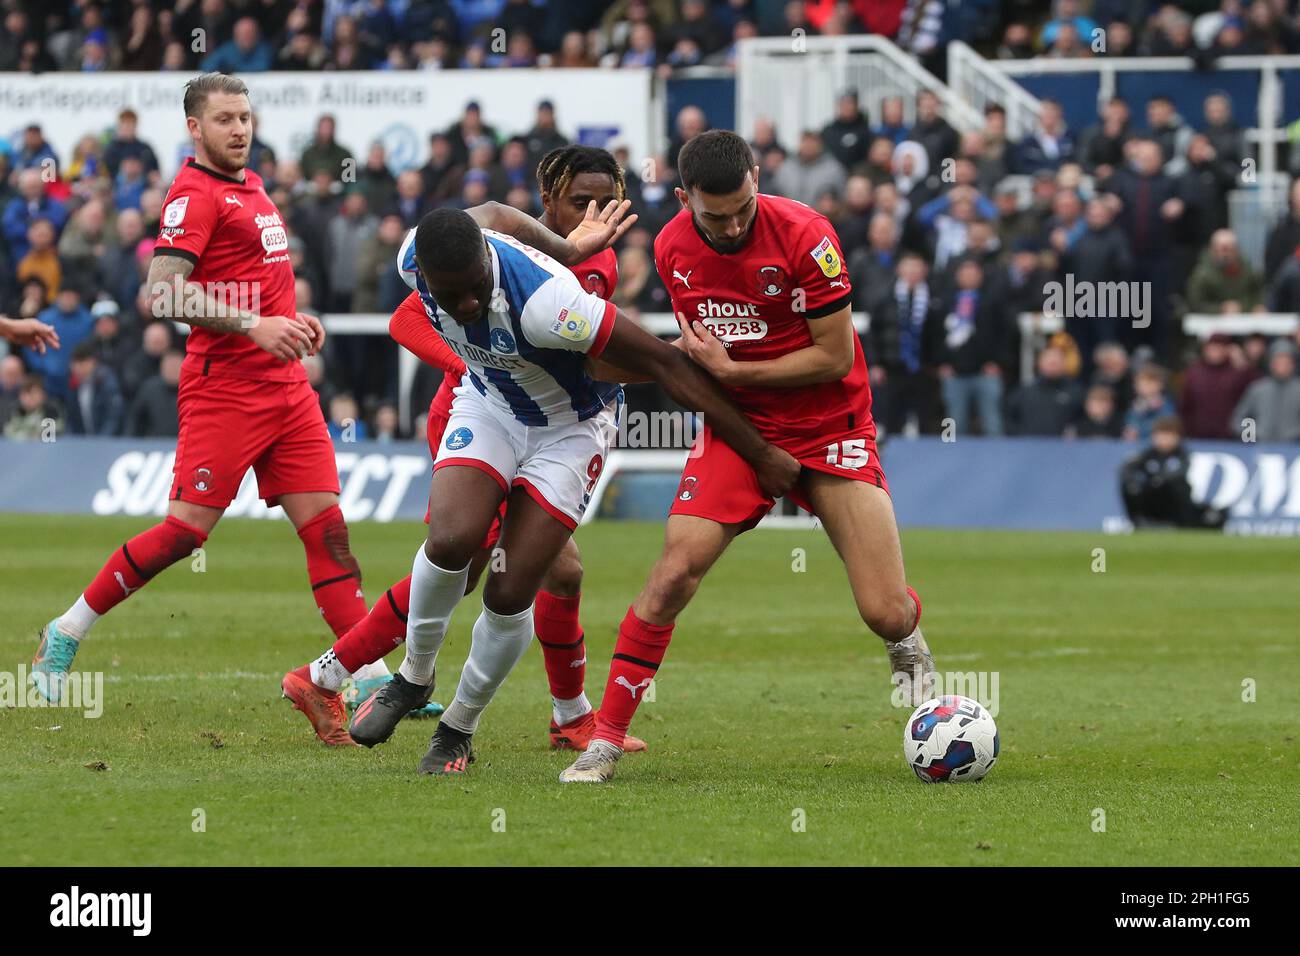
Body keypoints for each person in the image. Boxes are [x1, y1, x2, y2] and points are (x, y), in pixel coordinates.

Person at [326, 199, 798, 778]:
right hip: (491, 404)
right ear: (423, 274)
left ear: (486, 263)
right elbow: (494, 210)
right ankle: (414, 675)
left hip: (570, 429)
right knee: (452, 539)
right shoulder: (412, 256)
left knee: (507, 588)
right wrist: (569, 245)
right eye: (455, 296)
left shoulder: (549, 305)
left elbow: (666, 366)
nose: (469, 304)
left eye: (477, 288)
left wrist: (758, 451)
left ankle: (459, 728)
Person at [560, 130, 934, 784]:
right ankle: (607, 740)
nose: (732, 225)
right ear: (683, 200)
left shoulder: (809, 237)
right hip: (738, 428)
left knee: (884, 609)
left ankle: (908, 641)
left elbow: (835, 356)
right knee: (674, 571)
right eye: (715, 215)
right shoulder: (673, 245)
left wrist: (735, 375)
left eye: (742, 208)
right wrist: (741, 421)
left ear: (757, 178)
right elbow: (700, 365)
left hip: (830, 424)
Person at [29, 74, 390, 725]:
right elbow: (163, 293)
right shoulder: (192, 195)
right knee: (182, 536)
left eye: (245, 116)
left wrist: (293, 321)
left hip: (287, 390)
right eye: (224, 119)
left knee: (329, 532)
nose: (240, 129)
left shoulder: (252, 187)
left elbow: (255, 284)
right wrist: (254, 326)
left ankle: (369, 678)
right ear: (194, 127)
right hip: (225, 392)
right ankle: (66, 630)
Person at [289, 147, 656, 754]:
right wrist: (470, 364)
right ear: (547, 203)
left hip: (548, 428)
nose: (589, 212)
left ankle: (569, 714)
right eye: (576, 201)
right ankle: (326, 675)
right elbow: (407, 319)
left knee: (558, 572)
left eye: (602, 201)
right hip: (480, 416)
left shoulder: (599, 268)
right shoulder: (490, 253)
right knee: (469, 566)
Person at [1120, 417, 1225, 529]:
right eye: (1161, 435)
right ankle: (1139, 522)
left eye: (1168, 435)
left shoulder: (1181, 455)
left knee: (1180, 487)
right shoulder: (1147, 455)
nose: (1164, 439)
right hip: (1151, 498)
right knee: (1130, 487)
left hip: (1172, 500)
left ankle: (1180, 524)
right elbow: (1128, 469)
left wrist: (1158, 481)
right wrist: (1134, 482)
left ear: (1177, 437)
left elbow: (1178, 473)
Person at [1231, 340, 1300, 443]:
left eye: (1286, 362)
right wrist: (1254, 434)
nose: (1282, 365)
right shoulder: (1257, 389)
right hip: (1260, 448)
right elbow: (1238, 420)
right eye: (1278, 361)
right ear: (1271, 364)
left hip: (1295, 450)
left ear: (1293, 364)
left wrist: (1295, 434)